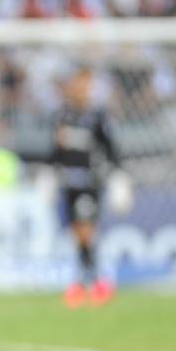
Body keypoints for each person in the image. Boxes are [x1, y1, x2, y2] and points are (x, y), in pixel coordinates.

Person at [51, 67, 123, 307]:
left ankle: (90, 282)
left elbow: (112, 149)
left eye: (85, 86)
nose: (80, 90)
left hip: (90, 182)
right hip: (68, 182)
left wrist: (118, 176)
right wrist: (49, 173)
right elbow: (56, 150)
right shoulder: (63, 116)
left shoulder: (97, 117)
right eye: (77, 85)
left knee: (85, 230)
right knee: (78, 233)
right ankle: (91, 281)